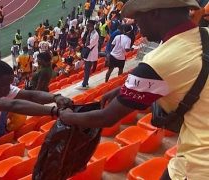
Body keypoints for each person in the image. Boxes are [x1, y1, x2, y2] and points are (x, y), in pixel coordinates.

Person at [60, 0, 207, 179]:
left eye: (138, 17)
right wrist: (122, 89)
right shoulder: (205, 34)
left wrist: (67, 116)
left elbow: (106, 117)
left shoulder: (156, 62)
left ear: (155, 13)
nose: (136, 26)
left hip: (197, 166)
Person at [80, 20, 99, 89]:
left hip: (90, 53)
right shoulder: (89, 32)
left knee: (87, 69)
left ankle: (84, 84)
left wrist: (84, 43)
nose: (87, 26)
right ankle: (85, 83)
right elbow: (83, 39)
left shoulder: (95, 34)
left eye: (88, 25)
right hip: (88, 52)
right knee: (86, 69)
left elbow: (89, 44)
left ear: (92, 26)